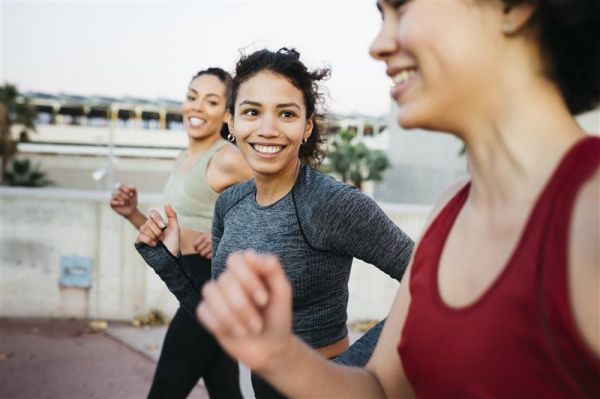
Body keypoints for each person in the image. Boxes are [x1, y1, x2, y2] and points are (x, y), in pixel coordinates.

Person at [195, 1, 600, 398]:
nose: (378, 44)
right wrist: (280, 356)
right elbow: (380, 389)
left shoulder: (591, 209)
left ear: (511, 7)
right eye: (380, 15)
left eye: (401, 9)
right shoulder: (452, 207)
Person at [135, 48, 414, 398]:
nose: (267, 129)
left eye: (286, 114)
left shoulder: (330, 203)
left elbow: (427, 284)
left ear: (307, 126)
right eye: (252, 112)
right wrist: (169, 260)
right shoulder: (229, 204)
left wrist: (348, 372)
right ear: (232, 123)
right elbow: (226, 324)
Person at [110, 67, 252, 398]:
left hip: (211, 284)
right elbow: (174, 232)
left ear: (227, 114)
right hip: (188, 276)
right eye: (192, 97)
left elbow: (278, 199)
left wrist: (230, 243)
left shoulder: (226, 158)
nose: (197, 108)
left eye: (212, 101)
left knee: (165, 389)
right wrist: (133, 213)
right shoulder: (184, 156)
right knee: (224, 387)